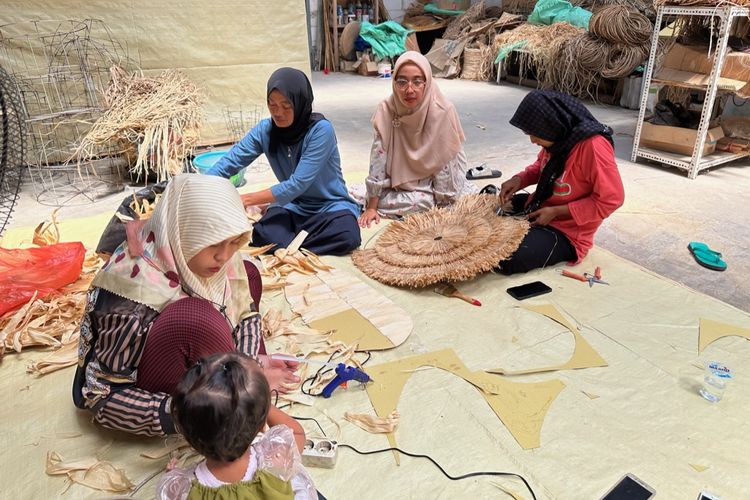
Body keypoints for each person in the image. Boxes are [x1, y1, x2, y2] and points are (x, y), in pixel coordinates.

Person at [72, 174, 299, 437]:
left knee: (246, 271)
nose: (224, 255)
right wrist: (192, 415)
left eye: (234, 240)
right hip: (155, 385)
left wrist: (251, 368)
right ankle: (231, 390)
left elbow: (245, 313)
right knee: (196, 320)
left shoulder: (218, 257)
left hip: (194, 355)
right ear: (180, 233)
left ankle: (239, 380)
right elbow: (100, 396)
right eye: (213, 243)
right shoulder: (132, 299)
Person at [207, 67, 361, 255]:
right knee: (262, 233)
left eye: (286, 106)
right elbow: (230, 162)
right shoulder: (266, 130)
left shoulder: (321, 131)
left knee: (347, 236)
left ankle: (288, 245)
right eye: (272, 104)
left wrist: (245, 200)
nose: (278, 112)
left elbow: (297, 184)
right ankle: (295, 244)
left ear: (300, 103)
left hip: (329, 207)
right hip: (292, 206)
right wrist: (200, 185)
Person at [495, 89, 624, 274]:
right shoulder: (559, 139)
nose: (532, 140)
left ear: (552, 124)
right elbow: (542, 166)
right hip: (541, 206)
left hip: (568, 232)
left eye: (535, 134)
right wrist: (519, 180)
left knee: (506, 257)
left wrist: (556, 211)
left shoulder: (593, 147)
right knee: (488, 205)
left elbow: (611, 199)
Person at [156, 352, 317, 500]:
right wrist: (260, 405)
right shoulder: (275, 459)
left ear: (184, 434)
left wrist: (172, 474)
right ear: (262, 424)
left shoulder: (182, 487)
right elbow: (297, 432)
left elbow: (170, 494)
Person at [358, 51, 477, 228]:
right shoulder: (387, 110)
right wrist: (372, 207)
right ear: (394, 83)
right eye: (402, 82)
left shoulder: (442, 111)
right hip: (397, 183)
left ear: (427, 83)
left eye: (417, 81)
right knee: (363, 197)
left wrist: (444, 207)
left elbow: (445, 163)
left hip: (433, 185)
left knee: (429, 202)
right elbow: (378, 158)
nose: (409, 89)